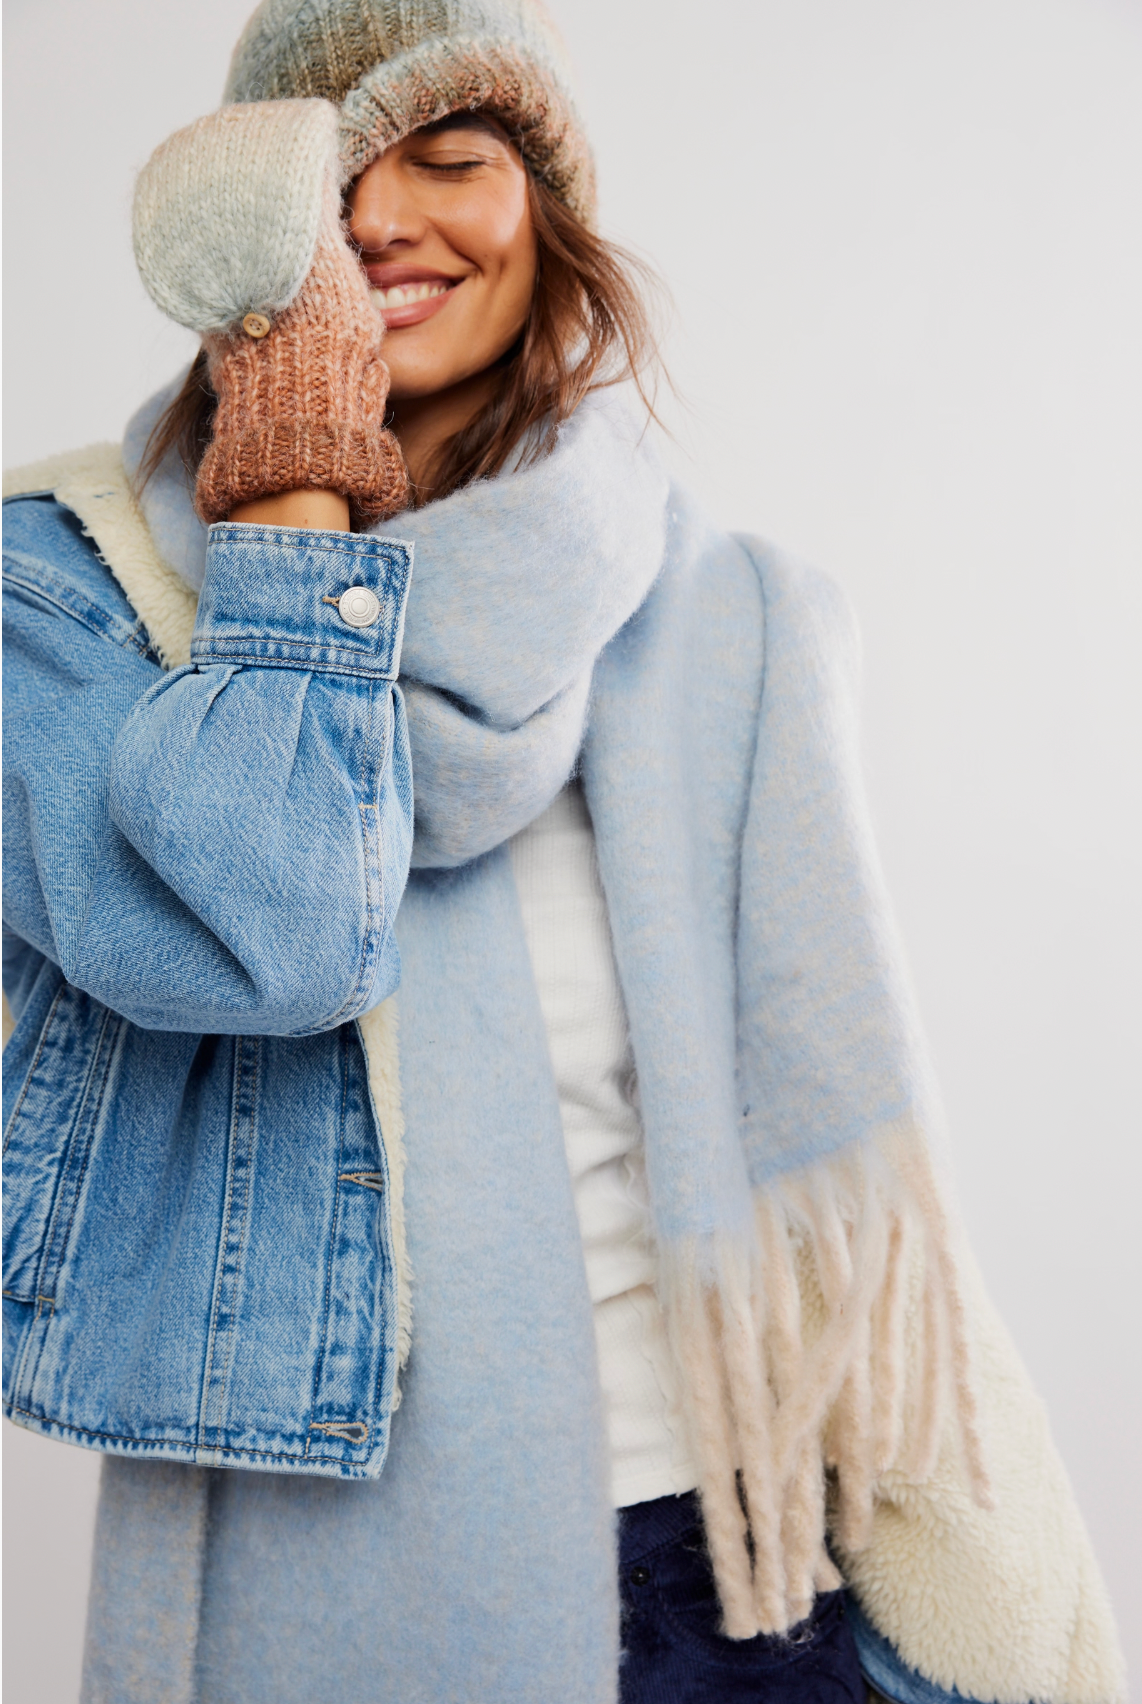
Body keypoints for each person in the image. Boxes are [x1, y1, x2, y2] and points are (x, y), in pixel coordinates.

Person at [1, 2, 1125, 1700]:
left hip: (757, 1580)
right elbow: (280, 933)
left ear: (548, 212)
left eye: (449, 157)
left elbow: (857, 1215)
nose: (382, 220)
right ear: (235, 232)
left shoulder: (716, 613)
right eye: (320, 181)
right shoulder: (78, 593)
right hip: (346, 1607)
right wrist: (294, 481)